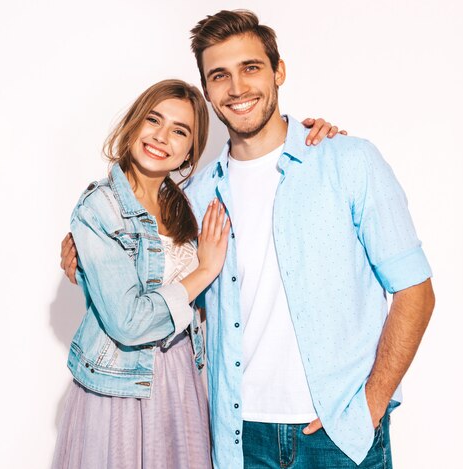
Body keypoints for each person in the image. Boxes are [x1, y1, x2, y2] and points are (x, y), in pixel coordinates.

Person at [62, 9, 436, 469]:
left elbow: (414, 290)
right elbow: (153, 272)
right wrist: (84, 252)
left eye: (251, 68)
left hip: (338, 433)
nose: (237, 88)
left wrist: (371, 404)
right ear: (208, 91)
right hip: (237, 437)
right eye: (220, 75)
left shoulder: (348, 161)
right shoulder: (193, 199)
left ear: (279, 71)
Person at [54, 78, 341, 469]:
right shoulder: (99, 209)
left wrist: (316, 137)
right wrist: (204, 270)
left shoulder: (187, 206)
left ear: (191, 149)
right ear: (134, 123)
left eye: (179, 131)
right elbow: (128, 321)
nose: (161, 137)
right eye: (153, 120)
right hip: (122, 390)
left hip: (184, 382)